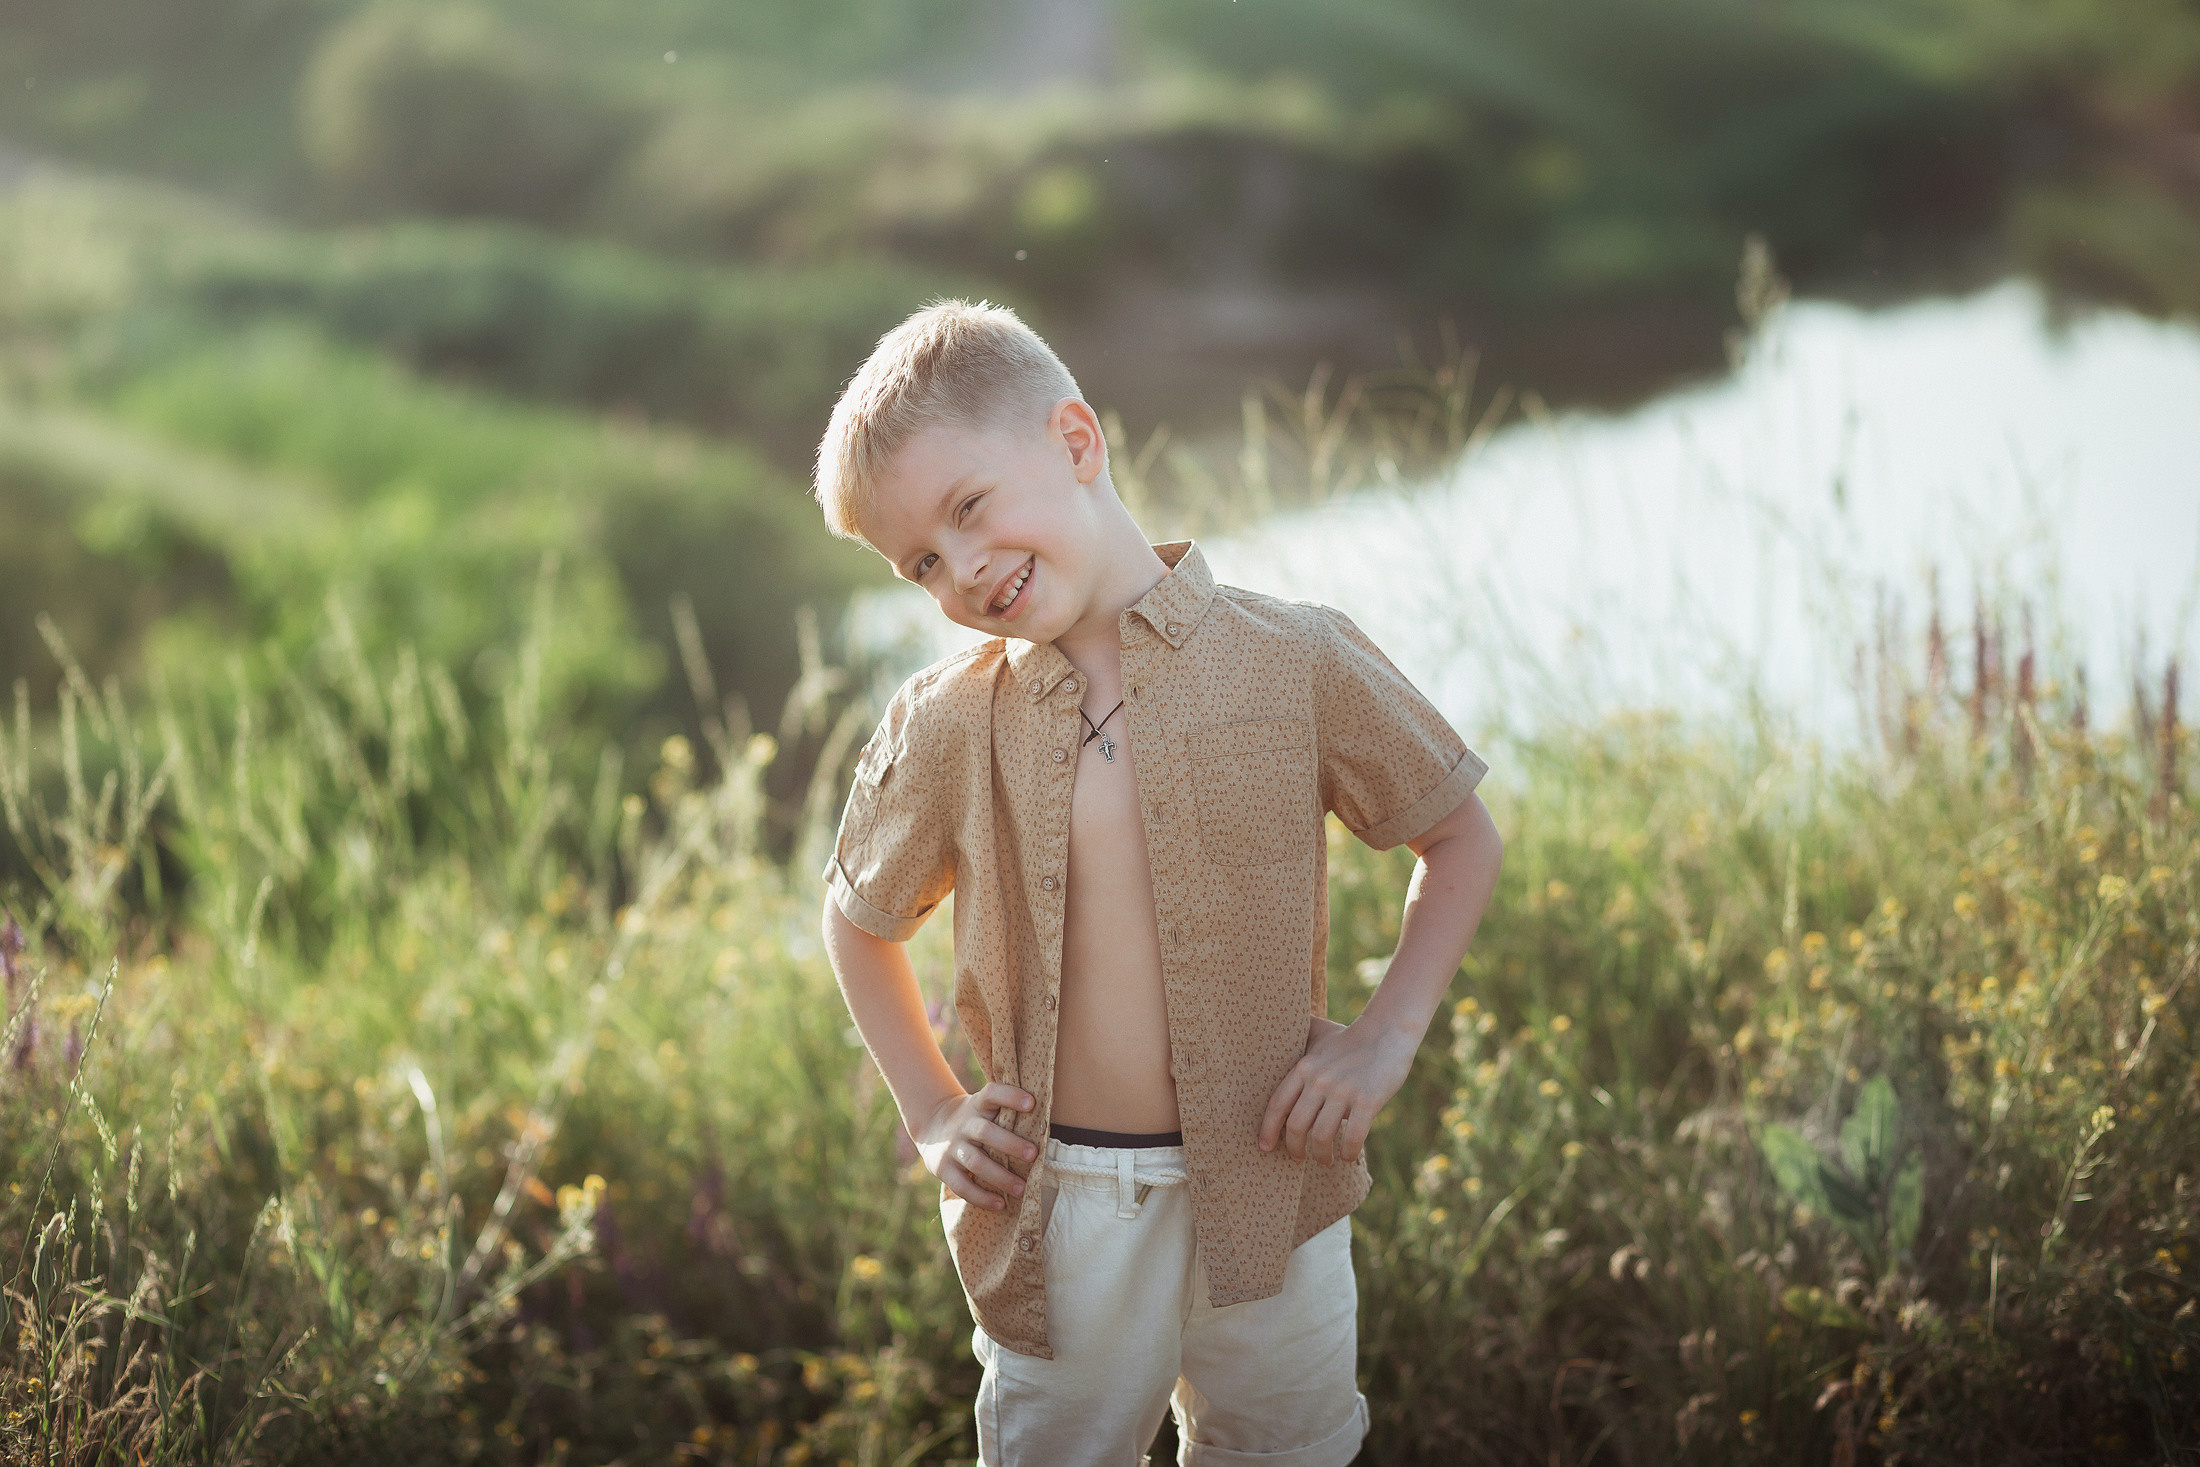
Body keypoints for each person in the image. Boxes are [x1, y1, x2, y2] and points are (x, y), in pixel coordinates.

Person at [812, 299, 1503, 1466]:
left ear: (1077, 442)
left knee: (1286, 1449)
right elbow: (855, 920)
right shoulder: (948, 720)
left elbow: (1460, 836)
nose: (963, 568)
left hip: (1275, 1184)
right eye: (920, 560)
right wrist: (932, 1113)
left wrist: (1382, 1042)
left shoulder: (1294, 658)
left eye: (969, 508)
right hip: (1061, 1204)